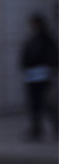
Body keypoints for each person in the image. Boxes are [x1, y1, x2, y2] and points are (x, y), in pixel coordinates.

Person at [20, 13, 58, 141]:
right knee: (34, 104)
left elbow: (51, 57)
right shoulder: (32, 38)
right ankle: (36, 129)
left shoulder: (46, 39)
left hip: (43, 75)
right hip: (32, 76)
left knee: (46, 103)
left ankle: (55, 127)